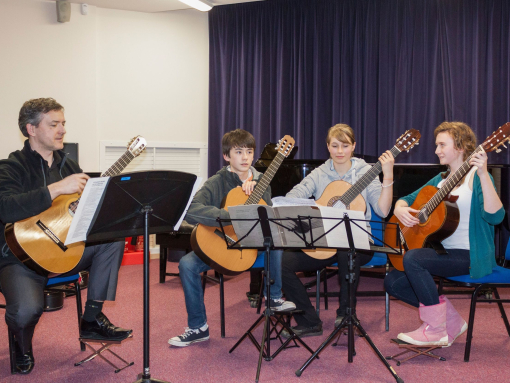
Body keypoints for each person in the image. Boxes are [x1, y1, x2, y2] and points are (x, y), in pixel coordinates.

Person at [0, 98, 132, 375]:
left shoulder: (69, 165)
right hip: (20, 258)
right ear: (31, 129)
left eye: (63, 123)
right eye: (54, 124)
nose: (62, 130)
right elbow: (6, 207)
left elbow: (77, 211)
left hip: (65, 249)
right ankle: (21, 343)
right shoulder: (10, 167)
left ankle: (92, 318)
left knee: (113, 238)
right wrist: (56, 189)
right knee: (25, 312)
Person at [168, 129, 295, 347]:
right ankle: (198, 327)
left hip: (252, 249)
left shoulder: (262, 180)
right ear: (227, 156)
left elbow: (268, 217)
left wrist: (258, 195)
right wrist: (230, 217)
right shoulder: (216, 181)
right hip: (224, 245)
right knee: (186, 264)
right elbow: (191, 210)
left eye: (249, 151)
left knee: (275, 237)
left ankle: (273, 297)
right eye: (238, 152)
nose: (245, 157)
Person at [384, 121, 504, 347]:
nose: (436, 150)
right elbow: (407, 199)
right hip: (443, 253)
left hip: (470, 256)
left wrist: (484, 173)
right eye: (436, 145)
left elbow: (496, 217)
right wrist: (400, 209)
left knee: (413, 259)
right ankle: (451, 321)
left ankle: (436, 329)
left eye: (441, 145)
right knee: (393, 281)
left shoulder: (477, 178)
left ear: (460, 147)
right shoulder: (439, 180)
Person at [280, 123, 395, 338]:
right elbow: (292, 198)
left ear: (353, 146)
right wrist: (315, 207)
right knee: (283, 262)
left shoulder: (367, 172)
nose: (340, 151)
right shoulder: (320, 173)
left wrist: (387, 177)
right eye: (335, 146)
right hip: (323, 241)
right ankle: (309, 321)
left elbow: (383, 209)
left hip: (359, 242)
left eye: (345, 145)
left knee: (346, 250)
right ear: (328, 147)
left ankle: (346, 315)